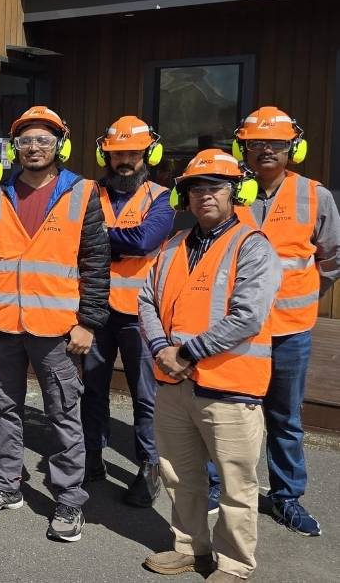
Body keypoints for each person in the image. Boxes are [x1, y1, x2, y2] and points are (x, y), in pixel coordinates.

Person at [0, 105, 110, 543]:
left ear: (59, 145)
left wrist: (89, 323)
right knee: (4, 408)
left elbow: (97, 264)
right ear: (15, 147)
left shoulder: (82, 193)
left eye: (43, 140)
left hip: (57, 329)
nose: (34, 147)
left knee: (63, 413)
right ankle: (7, 485)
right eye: (26, 140)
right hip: (3, 325)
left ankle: (68, 499)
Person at [138, 148, 279, 583]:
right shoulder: (174, 244)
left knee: (237, 485)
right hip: (173, 383)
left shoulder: (253, 246)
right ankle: (190, 548)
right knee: (180, 475)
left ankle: (234, 565)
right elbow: (147, 299)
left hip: (230, 385)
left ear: (236, 192)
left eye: (215, 187)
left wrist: (185, 353)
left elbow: (248, 315)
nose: (204, 197)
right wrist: (162, 347)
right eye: (195, 189)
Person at [233, 106, 339, 537]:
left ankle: (286, 496)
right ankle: (220, 488)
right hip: (236, 329)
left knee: (285, 415)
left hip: (290, 329)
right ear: (243, 148)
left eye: (275, 143)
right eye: (256, 144)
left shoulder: (316, 195)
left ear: (293, 148)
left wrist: (305, 298)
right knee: (229, 410)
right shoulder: (229, 191)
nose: (266, 151)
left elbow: (330, 259)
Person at [83, 116, 175, 507]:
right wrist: (112, 241)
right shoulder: (89, 192)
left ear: (148, 154)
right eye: (118, 153)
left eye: (133, 154)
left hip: (141, 314)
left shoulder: (162, 196)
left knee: (145, 396)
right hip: (95, 309)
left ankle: (148, 467)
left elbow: (143, 242)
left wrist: (99, 237)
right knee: (91, 390)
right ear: (106, 154)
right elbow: (73, 239)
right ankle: (91, 458)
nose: (125, 161)